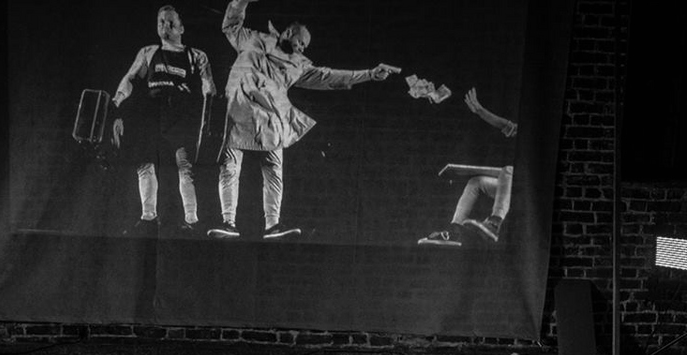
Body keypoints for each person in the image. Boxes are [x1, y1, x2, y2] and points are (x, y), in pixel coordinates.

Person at [207, 0, 401, 241]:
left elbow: (328, 76)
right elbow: (231, 25)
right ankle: (228, 222)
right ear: (289, 32)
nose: (301, 48)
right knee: (229, 167)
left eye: (304, 46)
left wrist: (369, 74)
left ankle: (273, 226)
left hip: (271, 120)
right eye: (300, 42)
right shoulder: (253, 39)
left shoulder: (299, 64)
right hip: (237, 112)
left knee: (274, 171)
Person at [112, 5, 216, 236]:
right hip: (152, 113)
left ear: (181, 28)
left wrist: (210, 113)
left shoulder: (196, 55)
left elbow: (208, 86)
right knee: (145, 163)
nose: (165, 26)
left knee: (184, 166)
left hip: (181, 115)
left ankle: (192, 220)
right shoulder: (148, 52)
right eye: (161, 21)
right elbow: (130, 78)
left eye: (170, 22)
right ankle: (148, 217)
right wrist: (116, 101)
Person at [418, 88, 516, 247]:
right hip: (514, 186)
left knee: (509, 170)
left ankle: (494, 223)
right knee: (477, 181)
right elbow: (507, 126)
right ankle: (454, 232)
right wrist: (480, 111)